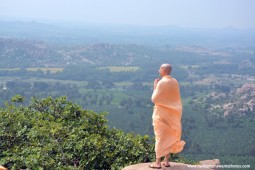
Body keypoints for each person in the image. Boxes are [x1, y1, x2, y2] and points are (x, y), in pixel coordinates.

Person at [149, 64, 186, 169]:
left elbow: (154, 99)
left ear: (164, 71)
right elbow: (175, 97)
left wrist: (155, 87)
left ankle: (157, 163)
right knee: (169, 135)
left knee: (160, 137)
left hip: (161, 114)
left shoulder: (161, 83)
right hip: (172, 114)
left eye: (160, 68)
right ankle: (166, 161)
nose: (158, 69)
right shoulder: (175, 81)